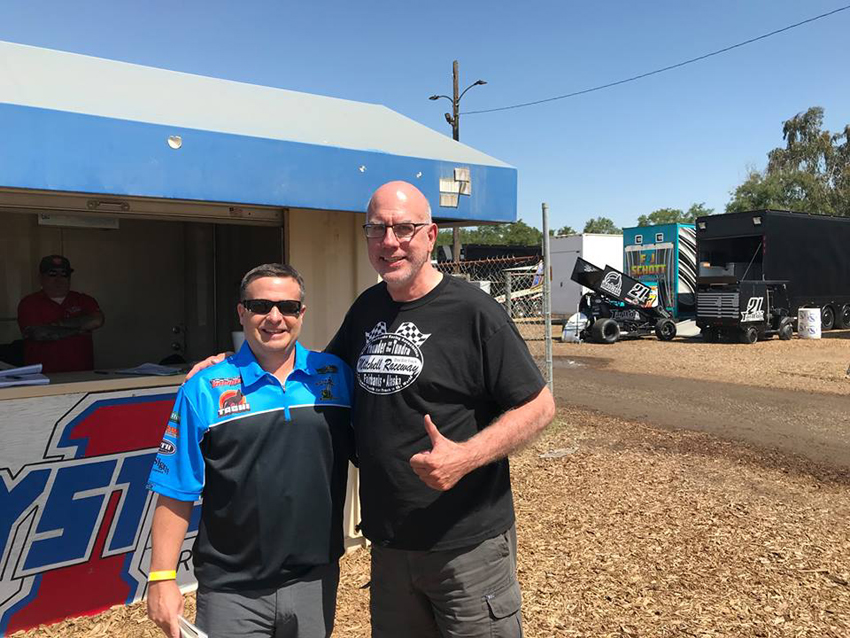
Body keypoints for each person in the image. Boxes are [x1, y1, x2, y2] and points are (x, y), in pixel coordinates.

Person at [189, 182, 555, 637]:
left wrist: (465, 456)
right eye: (377, 229)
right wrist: (234, 363)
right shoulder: (367, 309)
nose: (390, 241)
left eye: (404, 228)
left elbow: (539, 405)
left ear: (430, 235)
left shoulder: (473, 312)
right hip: (390, 545)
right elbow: (311, 373)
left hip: (465, 545)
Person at [146, 263, 354, 638]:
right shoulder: (205, 387)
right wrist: (162, 577)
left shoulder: (335, 376)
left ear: (302, 313)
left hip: (315, 578)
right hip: (232, 590)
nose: (275, 317)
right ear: (241, 312)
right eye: (260, 306)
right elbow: (176, 487)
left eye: (288, 307)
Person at [17, 255, 104, 372]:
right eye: (52, 274)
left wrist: (58, 325)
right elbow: (39, 334)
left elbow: (97, 320)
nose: (59, 279)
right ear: (40, 278)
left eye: (64, 274)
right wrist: (79, 328)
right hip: (42, 377)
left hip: (82, 375)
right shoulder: (29, 302)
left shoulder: (83, 300)